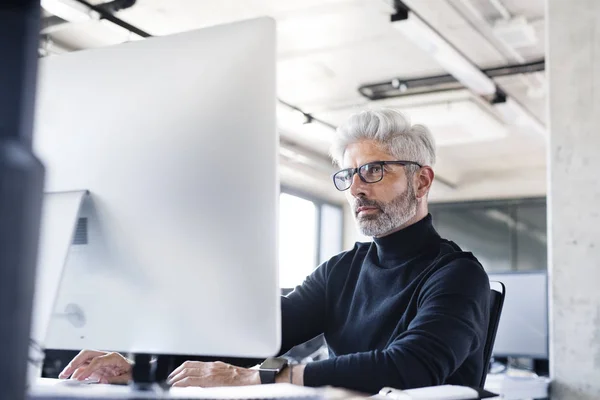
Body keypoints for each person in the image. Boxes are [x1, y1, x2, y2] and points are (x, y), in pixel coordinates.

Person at [58, 109, 491, 394]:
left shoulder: (458, 275)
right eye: (348, 175)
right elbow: (258, 334)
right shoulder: (341, 271)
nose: (356, 187)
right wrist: (144, 367)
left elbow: (411, 366)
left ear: (421, 180)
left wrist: (259, 377)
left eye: (373, 170)